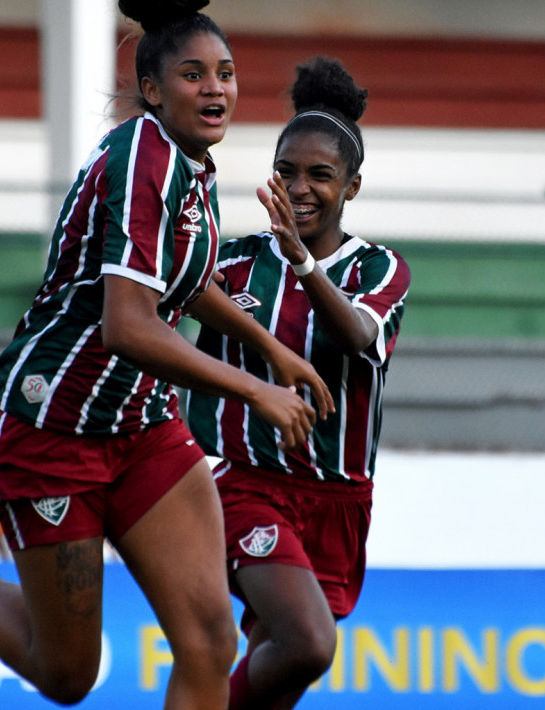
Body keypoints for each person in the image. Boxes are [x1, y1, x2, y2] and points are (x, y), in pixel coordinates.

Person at [0, 0, 334, 709]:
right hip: (50, 428)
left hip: (141, 427)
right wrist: (256, 388)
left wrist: (270, 347)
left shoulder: (191, 163)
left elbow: (181, 282)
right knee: (67, 676)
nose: (215, 89)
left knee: (212, 643)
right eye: (192, 74)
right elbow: (127, 325)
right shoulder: (140, 158)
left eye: (226, 72)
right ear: (152, 90)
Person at [187, 57, 411, 710]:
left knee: (279, 668)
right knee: (310, 643)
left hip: (339, 501)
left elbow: (357, 337)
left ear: (353, 187)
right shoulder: (233, 262)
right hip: (244, 485)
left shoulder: (380, 268)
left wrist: (305, 264)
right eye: (287, 171)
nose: (301, 188)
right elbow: (151, 316)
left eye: (320, 175)